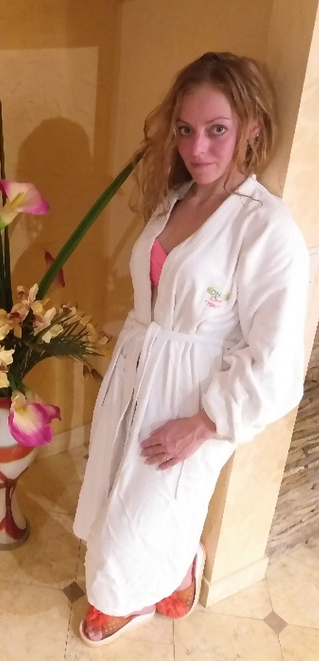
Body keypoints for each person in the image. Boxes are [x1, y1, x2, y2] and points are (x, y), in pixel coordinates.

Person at [73, 52, 310, 647]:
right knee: (119, 487)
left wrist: (205, 423)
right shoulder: (174, 201)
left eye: (216, 129)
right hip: (138, 374)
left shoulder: (267, 228)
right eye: (185, 129)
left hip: (197, 398)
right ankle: (175, 569)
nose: (196, 148)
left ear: (252, 127)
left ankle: (122, 596)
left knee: (151, 505)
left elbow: (278, 359)